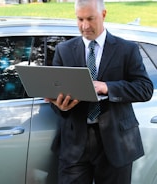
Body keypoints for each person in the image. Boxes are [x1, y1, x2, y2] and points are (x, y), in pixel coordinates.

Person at [45, 0, 154, 183]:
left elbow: (145, 89)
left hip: (116, 143)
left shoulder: (127, 49)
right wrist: (61, 106)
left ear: (103, 14)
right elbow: (56, 95)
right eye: (80, 19)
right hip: (75, 144)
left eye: (90, 18)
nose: (85, 26)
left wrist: (107, 87)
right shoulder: (63, 50)